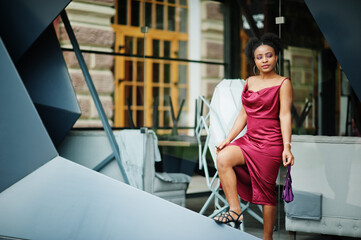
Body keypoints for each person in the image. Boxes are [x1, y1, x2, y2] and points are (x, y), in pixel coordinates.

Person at [213, 33, 295, 240]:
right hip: (249, 140)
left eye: (269, 55)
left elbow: (285, 115)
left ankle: (267, 237)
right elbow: (244, 114)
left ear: (276, 57)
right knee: (223, 158)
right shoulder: (249, 81)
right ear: (254, 60)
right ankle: (234, 210)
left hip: (271, 144)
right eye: (259, 57)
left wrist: (287, 147)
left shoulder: (283, 83)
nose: (264, 60)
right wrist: (228, 139)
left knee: (267, 194)